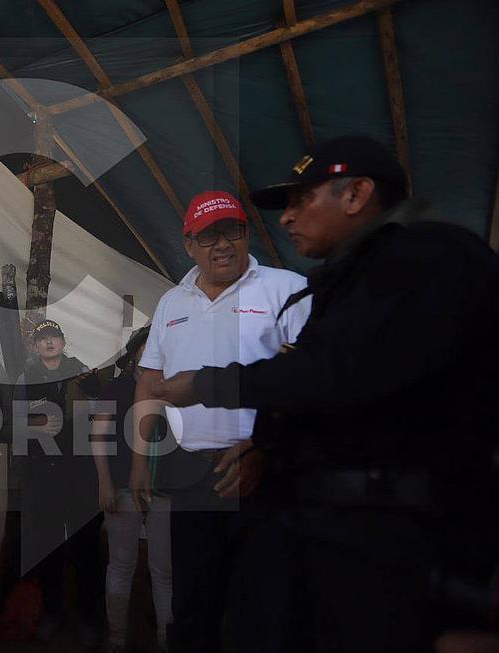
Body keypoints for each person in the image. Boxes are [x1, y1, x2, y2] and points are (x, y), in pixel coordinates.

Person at [150, 134, 499, 652]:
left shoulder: (426, 258)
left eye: (301, 199)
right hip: (324, 521)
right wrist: (269, 440)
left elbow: (333, 374)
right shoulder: (351, 277)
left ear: (356, 195)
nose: (287, 218)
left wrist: (207, 384)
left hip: (399, 533)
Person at [129, 190, 311, 653]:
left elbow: (310, 381)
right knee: (193, 602)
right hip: (194, 474)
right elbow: (150, 382)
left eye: (232, 230)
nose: (222, 244)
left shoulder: (286, 288)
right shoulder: (172, 301)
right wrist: (138, 461)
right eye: (208, 236)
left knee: (265, 608)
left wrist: (265, 449)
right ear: (188, 244)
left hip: (263, 473)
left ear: (247, 234)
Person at [13, 319, 104, 646]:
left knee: (86, 548)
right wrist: (36, 426)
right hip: (44, 474)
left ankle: (89, 618)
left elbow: (103, 420)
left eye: (54, 337)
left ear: (63, 342)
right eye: (43, 338)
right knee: (47, 545)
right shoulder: (26, 378)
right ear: (36, 346)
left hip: (81, 473)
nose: (49, 342)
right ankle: (52, 613)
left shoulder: (84, 374)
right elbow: (14, 422)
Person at [91, 326, 173, 653]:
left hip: (166, 491)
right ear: (136, 352)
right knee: (121, 565)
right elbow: (98, 437)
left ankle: (167, 643)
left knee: (164, 572)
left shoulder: (177, 389)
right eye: (147, 345)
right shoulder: (118, 387)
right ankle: (116, 641)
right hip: (123, 487)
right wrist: (104, 481)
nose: (154, 350)